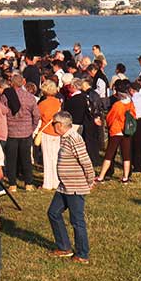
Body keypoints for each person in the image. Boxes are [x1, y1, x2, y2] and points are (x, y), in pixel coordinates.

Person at [47, 111, 95, 263]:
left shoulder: (74, 138)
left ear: (60, 125)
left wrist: (90, 180)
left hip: (75, 187)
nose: (52, 125)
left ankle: (82, 254)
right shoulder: (65, 138)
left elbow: (86, 161)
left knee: (77, 220)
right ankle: (64, 247)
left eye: (54, 123)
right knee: (53, 212)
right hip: (64, 186)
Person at [3, 75, 39, 192]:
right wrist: (32, 128)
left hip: (11, 131)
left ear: (11, 83)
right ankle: (28, 183)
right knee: (26, 158)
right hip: (26, 131)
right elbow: (36, 115)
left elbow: (2, 112)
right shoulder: (30, 97)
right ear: (23, 83)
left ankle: (12, 183)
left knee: (11, 159)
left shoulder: (6, 96)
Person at [96, 81, 136, 184]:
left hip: (116, 130)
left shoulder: (117, 105)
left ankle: (101, 176)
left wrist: (107, 124)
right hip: (126, 131)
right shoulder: (131, 103)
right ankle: (125, 177)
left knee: (109, 154)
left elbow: (110, 117)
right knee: (126, 155)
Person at [37, 80, 63, 191]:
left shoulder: (42, 104)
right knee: (56, 157)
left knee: (47, 158)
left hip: (46, 131)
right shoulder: (59, 103)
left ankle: (47, 183)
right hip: (57, 132)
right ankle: (56, 181)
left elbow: (38, 117)